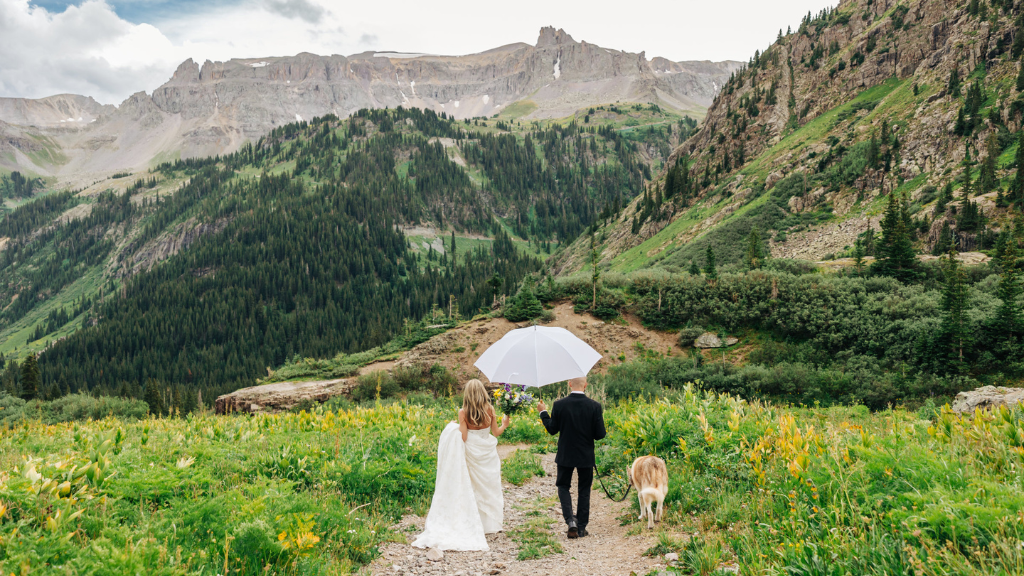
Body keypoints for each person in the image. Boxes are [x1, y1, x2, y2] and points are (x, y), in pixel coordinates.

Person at [412, 379, 510, 551]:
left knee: (470, 486)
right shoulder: (490, 409)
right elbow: (496, 432)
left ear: (467, 394)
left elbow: (463, 437)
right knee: (487, 486)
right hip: (486, 453)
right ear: (482, 392)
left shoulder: (463, 412)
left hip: (471, 453)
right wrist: (504, 424)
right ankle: (488, 524)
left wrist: (453, 427)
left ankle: (473, 520)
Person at [538, 376, 606, 539]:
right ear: (585, 385)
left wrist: (543, 412)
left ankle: (570, 522)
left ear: (569, 384)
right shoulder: (595, 406)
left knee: (563, 486)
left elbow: (552, 429)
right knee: (584, 489)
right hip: (585, 455)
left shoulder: (559, 405)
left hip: (565, 455)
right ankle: (581, 527)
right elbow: (600, 435)